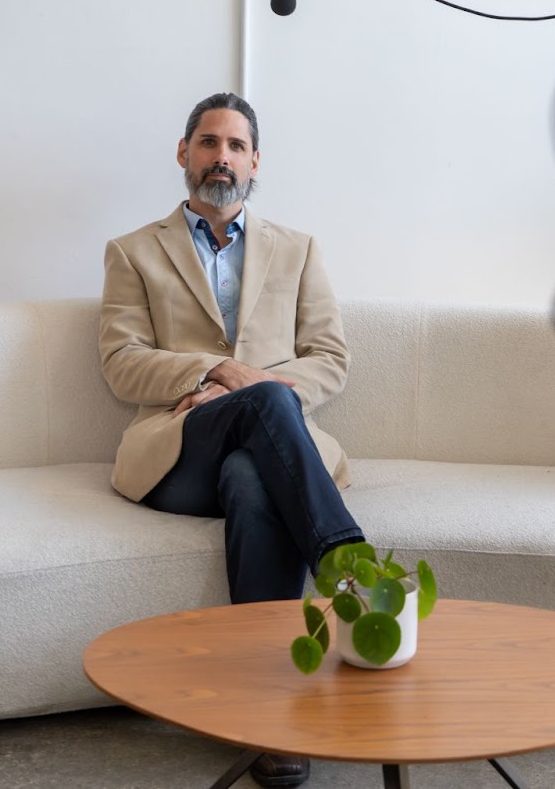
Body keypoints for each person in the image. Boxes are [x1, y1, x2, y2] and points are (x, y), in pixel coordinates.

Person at [98, 91, 363, 789]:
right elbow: (122, 362)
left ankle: (268, 717)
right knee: (261, 399)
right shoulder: (131, 252)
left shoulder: (299, 251)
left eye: (236, 145)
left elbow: (330, 358)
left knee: (253, 477)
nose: (223, 157)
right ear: (184, 155)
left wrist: (252, 392)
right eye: (209, 143)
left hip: (263, 453)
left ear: (255, 163)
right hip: (178, 450)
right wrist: (217, 370)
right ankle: (347, 562)